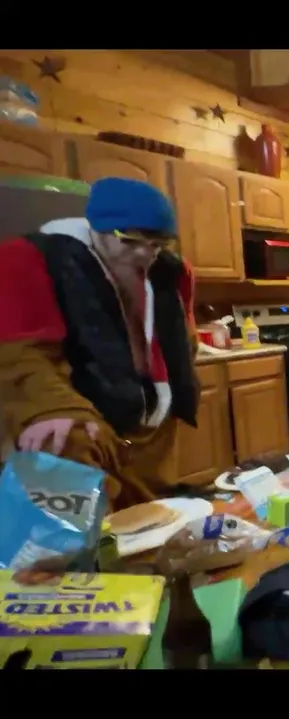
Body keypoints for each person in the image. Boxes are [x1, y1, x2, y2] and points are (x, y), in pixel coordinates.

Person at [0, 177, 199, 511]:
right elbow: (19, 352)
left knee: (152, 524)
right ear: (98, 228)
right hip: (89, 426)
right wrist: (54, 407)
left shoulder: (173, 271)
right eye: (130, 240)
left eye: (157, 244)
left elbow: (183, 338)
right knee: (86, 523)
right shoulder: (29, 258)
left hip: (153, 433)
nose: (145, 254)